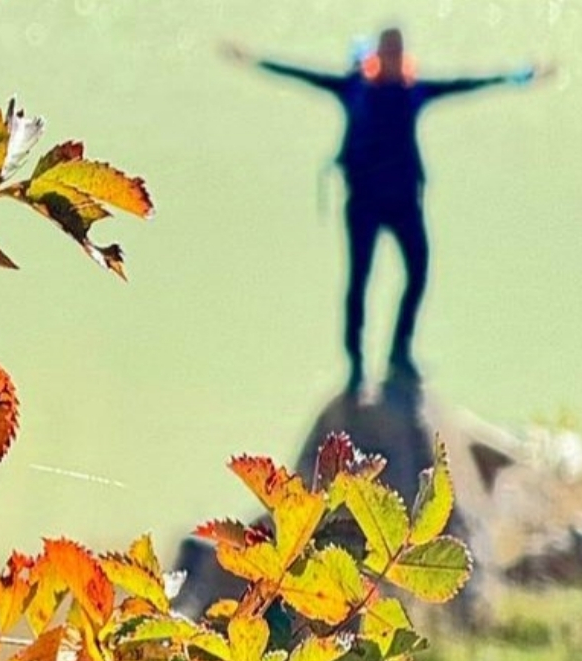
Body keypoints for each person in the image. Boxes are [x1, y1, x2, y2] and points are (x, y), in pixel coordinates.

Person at [224, 28, 551, 394]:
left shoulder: (415, 91)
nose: (393, 59)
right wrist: (252, 60)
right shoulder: (355, 88)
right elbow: (302, 74)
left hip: (403, 203)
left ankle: (400, 353)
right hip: (363, 203)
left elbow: (467, 83)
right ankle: (356, 366)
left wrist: (522, 75)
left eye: (398, 52)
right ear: (379, 54)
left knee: (418, 272)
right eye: (388, 52)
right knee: (359, 282)